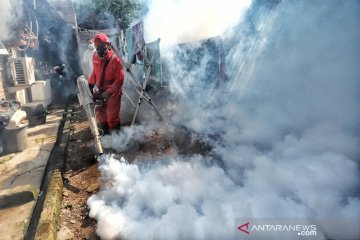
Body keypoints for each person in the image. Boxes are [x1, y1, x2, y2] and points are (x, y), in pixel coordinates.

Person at [88, 33, 125, 134]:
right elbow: (95, 72)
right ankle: (106, 137)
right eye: (97, 46)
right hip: (100, 90)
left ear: (108, 45)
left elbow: (119, 79)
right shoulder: (95, 56)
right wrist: (90, 84)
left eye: (102, 45)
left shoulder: (115, 60)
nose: (99, 48)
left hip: (113, 92)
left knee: (112, 117)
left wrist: (108, 92)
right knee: (101, 116)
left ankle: (118, 140)